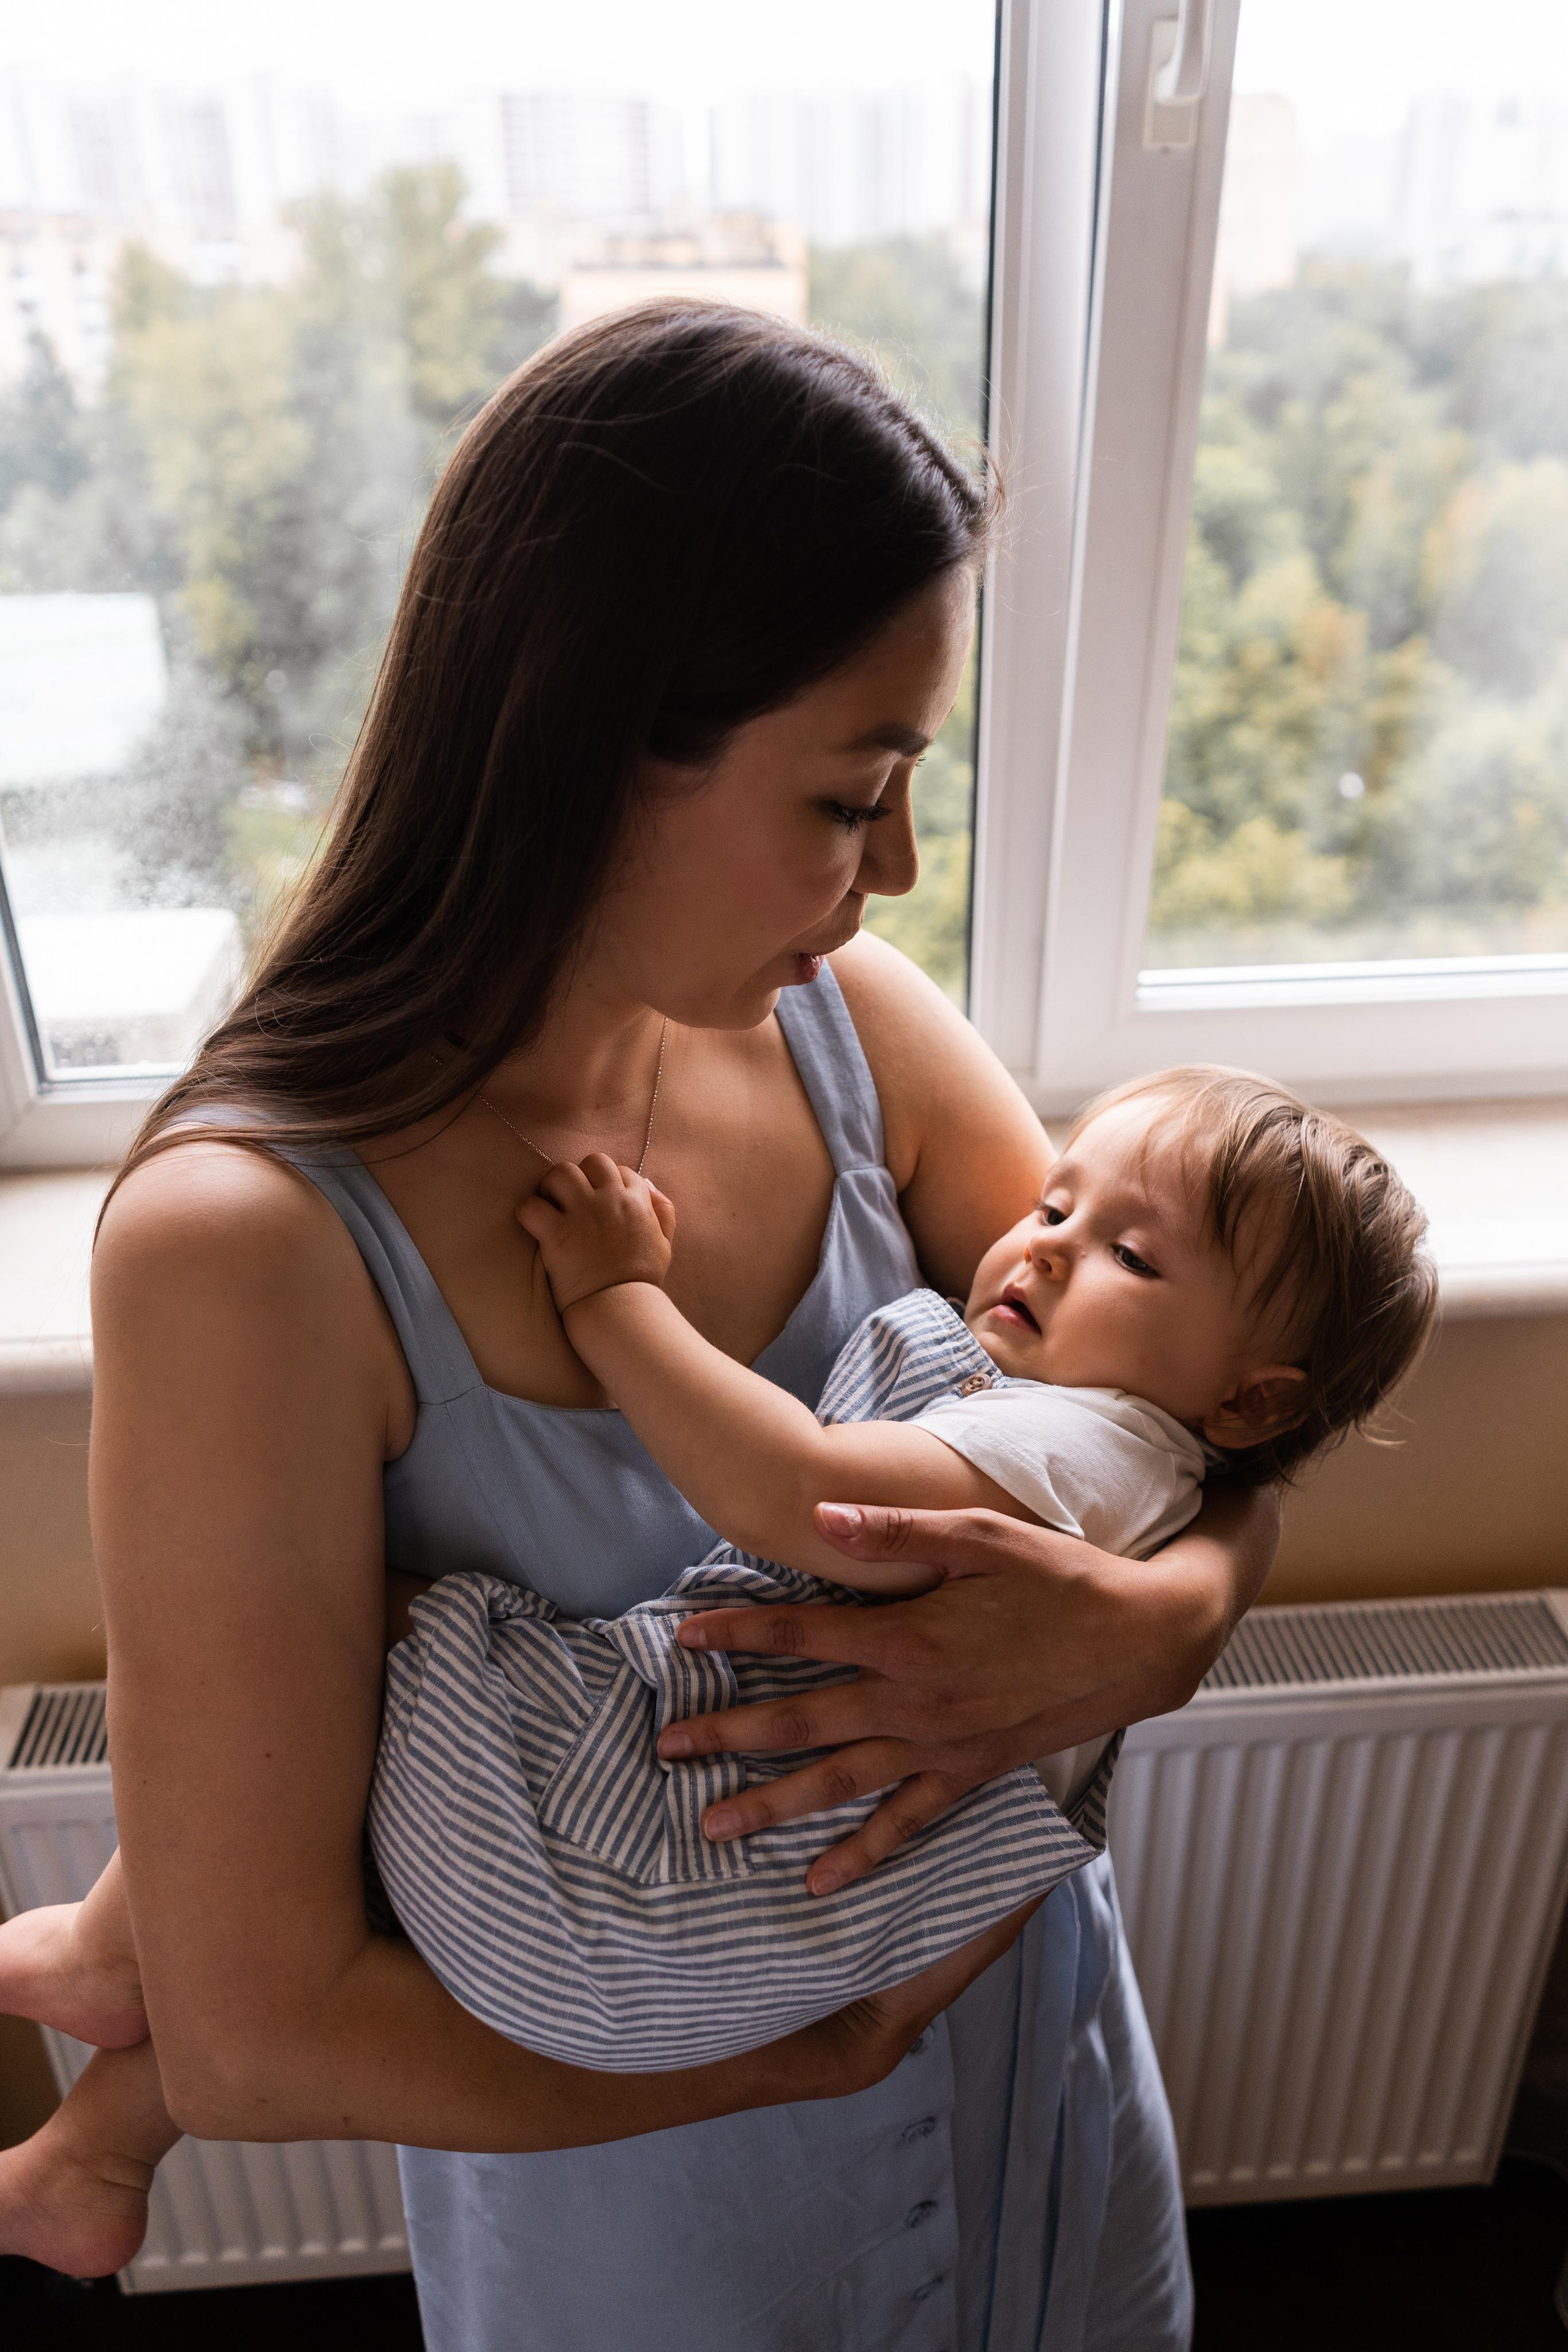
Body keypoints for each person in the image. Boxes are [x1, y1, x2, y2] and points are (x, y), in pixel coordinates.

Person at [0, 305, 1279, 2348]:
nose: (903, 869)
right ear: (595, 742)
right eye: (853, 793)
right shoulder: (247, 1253)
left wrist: (1173, 1617)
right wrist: (797, 2061)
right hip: (666, 2225)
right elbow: (254, 2040)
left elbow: (1195, 1411)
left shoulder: (865, 1043)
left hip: (1037, 2071)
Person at [0, 1066, 1434, 2184]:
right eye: (1057, 1205)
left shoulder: (1090, 1446)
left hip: (619, 1898)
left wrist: (616, 1296)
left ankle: (116, 1966)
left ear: (1248, 1400)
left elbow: (803, 1500)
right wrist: (1184, 1596)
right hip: (647, 1965)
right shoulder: (1124, 1430)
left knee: (363, 1637)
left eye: (1129, 1256)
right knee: (364, 1742)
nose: (1045, 1249)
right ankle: (101, 2127)